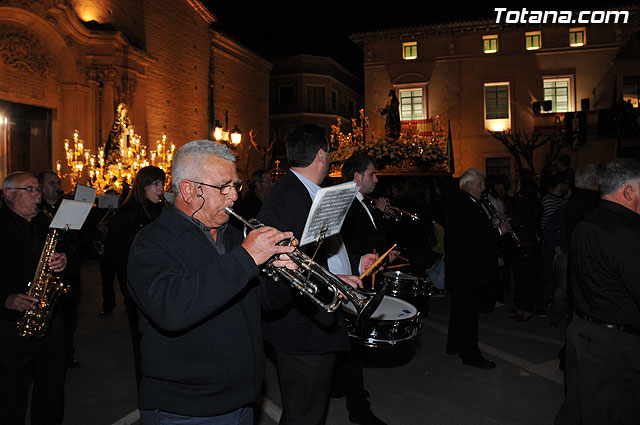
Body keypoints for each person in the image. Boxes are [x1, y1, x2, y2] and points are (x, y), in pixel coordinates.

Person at [127, 140, 296, 424]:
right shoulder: (151, 241)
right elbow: (172, 309)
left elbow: (265, 303)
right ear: (189, 190)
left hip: (242, 398)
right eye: (224, 187)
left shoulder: (233, 236)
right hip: (185, 409)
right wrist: (246, 257)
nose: (233, 198)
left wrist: (283, 275)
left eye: (236, 187)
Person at [258, 124, 377, 425]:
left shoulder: (306, 192)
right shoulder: (288, 197)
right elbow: (280, 270)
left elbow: (313, 254)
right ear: (322, 156)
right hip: (300, 332)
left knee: (307, 411)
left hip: (310, 327)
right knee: (305, 414)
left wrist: (343, 271)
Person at [555, 158, 640, 425]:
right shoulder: (628, 233)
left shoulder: (588, 222)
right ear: (627, 192)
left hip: (583, 331)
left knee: (579, 409)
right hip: (614, 345)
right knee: (614, 413)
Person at [0, 171, 69, 424]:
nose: (37, 195)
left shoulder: (45, 222)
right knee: (11, 396)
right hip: (11, 326)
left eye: (38, 189)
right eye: (29, 190)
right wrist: (5, 299)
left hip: (50, 322)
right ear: (9, 194)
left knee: (51, 392)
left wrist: (66, 259)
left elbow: (72, 252)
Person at [337, 152, 396, 425]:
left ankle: (348, 390)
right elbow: (348, 246)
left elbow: (372, 238)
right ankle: (357, 406)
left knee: (351, 346)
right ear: (357, 177)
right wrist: (363, 259)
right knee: (352, 347)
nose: (376, 179)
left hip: (363, 277)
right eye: (372, 174)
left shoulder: (364, 203)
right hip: (352, 280)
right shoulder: (348, 205)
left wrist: (382, 255)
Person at [103, 165, 166, 388]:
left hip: (162, 282)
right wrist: (137, 267)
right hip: (137, 286)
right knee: (142, 340)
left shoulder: (162, 210)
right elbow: (112, 251)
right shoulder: (127, 212)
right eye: (156, 184)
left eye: (163, 184)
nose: (161, 189)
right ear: (143, 186)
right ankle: (146, 388)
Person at [445, 168, 511, 369]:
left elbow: (473, 230)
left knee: (460, 312)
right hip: (467, 272)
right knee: (468, 315)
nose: (484, 188)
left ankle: (456, 345)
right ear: (468, 185)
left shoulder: (467, 204)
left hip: (462, 270)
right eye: (480, 184)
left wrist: (491, 223)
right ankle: (470, 354)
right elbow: (474, 239)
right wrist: (499, 231)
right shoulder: (466, 206)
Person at [37, 170, 83, 369]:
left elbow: (81, 240)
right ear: (41, 188)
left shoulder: (67, 206)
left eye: (58, 183)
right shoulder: (37, 210)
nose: (57, 187)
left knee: (70, 316)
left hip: (69, 270)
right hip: (46, 270)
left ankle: (67, 353)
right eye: (52, 183)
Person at [507, 175, 541, 322]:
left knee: (526, 279)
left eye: (519, 182)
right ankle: (521, 307)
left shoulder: (528, 204)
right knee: (521, 278)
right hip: (522, 244)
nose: (516, 185)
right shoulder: (526, 202)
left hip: (525, 245)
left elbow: (515, 221)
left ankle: (526, 309)